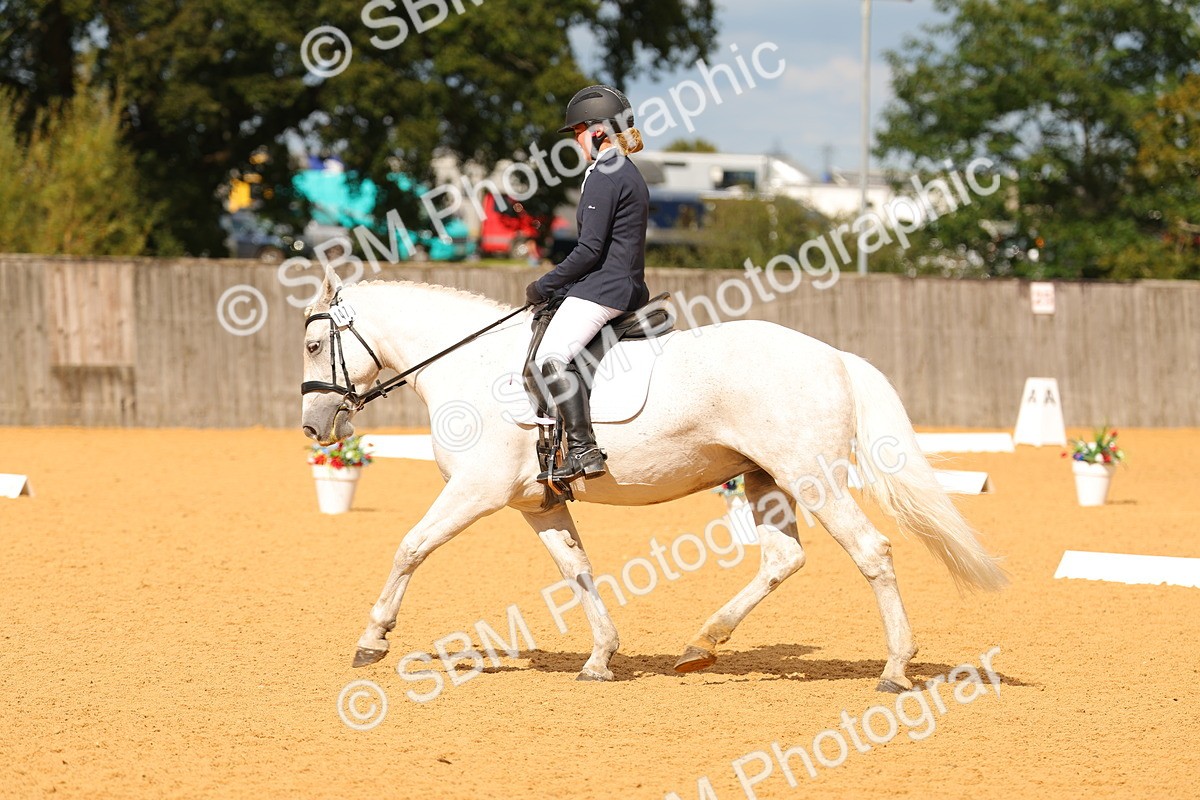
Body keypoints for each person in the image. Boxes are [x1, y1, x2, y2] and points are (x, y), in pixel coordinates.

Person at [525, 85, 650, 484]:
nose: (576, 141)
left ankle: (583, 450)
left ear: (597, 131)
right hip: (619, 283)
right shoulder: (624, 170)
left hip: (605, 288)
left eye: (578, 131)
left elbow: (589, 249)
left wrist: (545, 284)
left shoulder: (607, 173)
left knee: (549, 360)